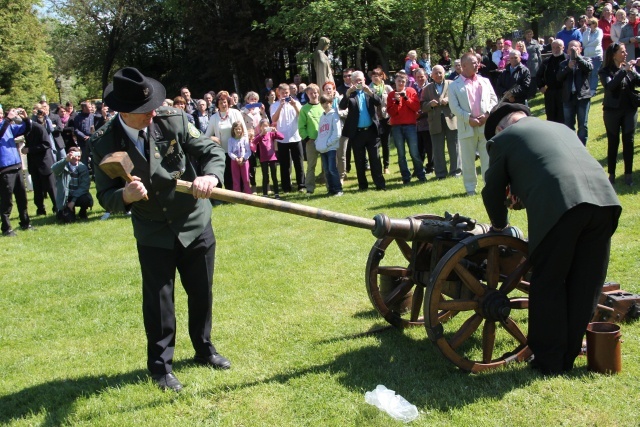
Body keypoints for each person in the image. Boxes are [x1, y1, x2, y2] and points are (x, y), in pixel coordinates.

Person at [90, 67, 229, 392]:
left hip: (194, 222)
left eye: (152, 105)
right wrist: (123, 196)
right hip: (153, 232)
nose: (152, 112)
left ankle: (204, 349)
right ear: (123, 112)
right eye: (143, 110)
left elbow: (210, 150)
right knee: (159, 302)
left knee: (201, 292)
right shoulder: (103, 142)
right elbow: (104, 195)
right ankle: (161, 367)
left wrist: (210, 176)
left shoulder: (173, 119)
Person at [482, 102, 622, 375]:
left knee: (548, 281)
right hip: (605, 203)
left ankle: (548, 361)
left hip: (561, 206)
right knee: (585, 283)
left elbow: (493, 190)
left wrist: (499, 226)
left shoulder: (503, 139)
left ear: (499, 128)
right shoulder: (559, 127)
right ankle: (567, 356)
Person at [448, 53, 498, 195]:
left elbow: (494, 99)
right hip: (466, 126)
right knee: (468, 159)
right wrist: (468, 118)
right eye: (474, 63)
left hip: (485, 124)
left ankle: (489, 185)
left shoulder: (485, 81)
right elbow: (454, 107)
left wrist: (487, 114)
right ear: (464, 66)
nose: (477, 65)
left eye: (477, 62)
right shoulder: (454, 86)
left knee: (487, 157)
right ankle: (470, 188)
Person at [599, 41, 640, 186]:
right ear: (614, 55)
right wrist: (624, 71)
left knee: (629, 141)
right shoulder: (604, 71)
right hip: (612, 111)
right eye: (622, 51)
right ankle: (612, 174)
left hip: (629, 110)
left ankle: (628, 175)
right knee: (613, 142)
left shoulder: (629, 68)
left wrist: (636, 69)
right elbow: (610, 86)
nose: (626, 54)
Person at [339, 70, 386, 191]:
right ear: (352, 82)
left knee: (375, 159)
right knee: (359, 161)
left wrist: (370, 93)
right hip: (357, 133)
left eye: (360, 80)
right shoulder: (350, 94)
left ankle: (380, 185)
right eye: (356, 81)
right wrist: (348, 93)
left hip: (371, 131)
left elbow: (379, 102)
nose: (358, 82)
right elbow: (342, 106)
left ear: (364, 80)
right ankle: (362, 186)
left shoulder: (370, 91)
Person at [422, 65, 461, 180]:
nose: (438, 75)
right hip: (435, 122)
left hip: (451, 119)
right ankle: (440, 174)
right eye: (436, 73)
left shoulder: (452, 84)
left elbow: (460, 98)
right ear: (432, 75)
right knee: (438, 149)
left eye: (440, 73)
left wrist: (449, 100)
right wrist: (430, 104)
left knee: (454, 147)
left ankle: (456, 172)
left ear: (444, 73)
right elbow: (422, 106)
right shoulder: (427, 88)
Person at [387, 71, 425, 184]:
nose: (401, 83)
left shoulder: (411, 91)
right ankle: (406, 177)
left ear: (406, 82)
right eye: (399, 81)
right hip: (397, 127)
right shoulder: (391, 95)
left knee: (414, 152)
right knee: (401, 154)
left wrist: (406, 98)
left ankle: (420, 175)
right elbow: (391, 113)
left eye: (403, 81)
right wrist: (397, 101)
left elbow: (416, 107)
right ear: (395, 81)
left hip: (410, 126)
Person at [0, 107, 33, 236]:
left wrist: (25, 118)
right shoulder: (5, 125)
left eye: (2, 113)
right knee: (7, 200)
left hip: (17, 166)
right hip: (4, 169)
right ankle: (6, 228)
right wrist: (8, 118)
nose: (1, 116)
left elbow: (26, 129)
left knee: (22, 197)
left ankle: (25, 223)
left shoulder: (7, 125)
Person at [204, 91, 247, 190]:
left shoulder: (235, 113)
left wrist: (245, 148)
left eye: (225, 102)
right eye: (221, 102)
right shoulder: (214, 117)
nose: (223, 104)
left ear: (228, 102)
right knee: (228, 175)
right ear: (217, 104)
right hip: (224, 151)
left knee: (240, 175)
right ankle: (230, 196)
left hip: (238, 151)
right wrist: (212, 138)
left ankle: (242, 193)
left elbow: (244, 131)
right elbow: (206, 136)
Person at [270, 83, 305, 192]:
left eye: (287, 93)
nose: (285, 95)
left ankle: (301, 185)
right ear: (278, 94)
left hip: (295, 137)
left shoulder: (296, 103)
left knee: (299, 163)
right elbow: (274, 120)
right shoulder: (274, 105)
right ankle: (286, 187)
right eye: (283, 93)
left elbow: (302, 116)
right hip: (282, 138)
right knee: (285, 165)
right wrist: (280, 106)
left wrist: (294, 105)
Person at [22, 107, 57, 216]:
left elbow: (47, 144)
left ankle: (57, 207)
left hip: (44, 163)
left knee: (51, 188)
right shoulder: (27, 129)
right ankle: (40, 209)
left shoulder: (38, 128)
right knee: (37, 190)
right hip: (34, 163)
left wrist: (29, 149)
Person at [557, 40, 593, 146]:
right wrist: (568, 68)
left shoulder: (586, 60)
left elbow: (589, 68)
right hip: (568, 98)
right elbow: (559, 77)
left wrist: (578, 58)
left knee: (583, 125)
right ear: (567, 50)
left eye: (575, 48)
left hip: (582, 97)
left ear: (580, 49)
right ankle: (572, 148)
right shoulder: (563, 63)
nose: (573, 50)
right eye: (571, 48)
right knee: (568, 125)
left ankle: (582, 147)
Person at [52, 146, 93, 222]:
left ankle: (83, 212)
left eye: (78, 156)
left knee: (86, 199)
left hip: (78, 195)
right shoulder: (63, 166)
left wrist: (73, 201)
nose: (76, 158)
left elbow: (84, 186)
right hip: (66, 197)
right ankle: (65, 211)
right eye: (74, 156)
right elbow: (53, 169)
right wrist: (65, 160)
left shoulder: (83, 167)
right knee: (68, 220)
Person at [298, 84, 323, 194]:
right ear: (307, 95)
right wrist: (306, 138)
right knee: (311, 166)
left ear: (318, 93)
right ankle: (309, 188)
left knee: (327, 165)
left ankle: (330, 186)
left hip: (324, 140)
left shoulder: (323, 106)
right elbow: (301, 127)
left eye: (315, 92)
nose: (314, 94)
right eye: (311, 93)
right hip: (311, 141)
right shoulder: (304, 109)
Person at [315, 95, 343, 196]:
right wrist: (318, 143)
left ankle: (338, 189)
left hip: (331, 147)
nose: (326, 105)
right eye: (323, 103)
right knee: (326, 170)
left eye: (328, 102)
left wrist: (328, 143)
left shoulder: (334, 115)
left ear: (331, 103)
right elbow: (320, 132)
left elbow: (337, 133)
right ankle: (331, 190)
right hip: (323, 148)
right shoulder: (322, 116)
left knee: (332, 169)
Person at [536, 39, 568, 123]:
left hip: (564, 92)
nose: (556, 49)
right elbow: (538, 76)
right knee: (551, 117)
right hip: (550, 92)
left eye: (558, 47)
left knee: (563, 117)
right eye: (553, 47)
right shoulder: (547, 61)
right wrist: (541, 86)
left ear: (563, 47)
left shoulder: (567, 60)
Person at [369, 68, 393, 175]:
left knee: (385, 143)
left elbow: (393, 103)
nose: (375, 77)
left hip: (385, 119)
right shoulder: (368, 88)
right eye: (373, 76)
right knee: (375, 144)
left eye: (377, 75)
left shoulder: (387, 88)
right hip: (374, 120)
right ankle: (376, 166)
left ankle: (386, 166)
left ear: (382, 76)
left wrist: (392, 117)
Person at [251, 118, 282, 198]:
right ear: (260, 127)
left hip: (272, 158)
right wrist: (261, 134)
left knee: (274, 176)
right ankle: (265, 194)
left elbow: (282, 137)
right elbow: (254, 142)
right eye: (263, 126)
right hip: (263, 159)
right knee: (265, 176)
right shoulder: (259, 135)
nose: (265, 127)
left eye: (266, 126)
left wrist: (275, 131)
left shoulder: (271, 134)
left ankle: (276, 193)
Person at [227, 120, 252, 194]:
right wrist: (236, 158)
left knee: (246, 179)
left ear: (242, 130)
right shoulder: (230, 140)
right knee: (236, 179)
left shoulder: (244, 139)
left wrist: (243, 158)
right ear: (233, 130)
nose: (238, 130)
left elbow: (248, 151)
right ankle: (236, 195)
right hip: (234, 161)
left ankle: (248, 194)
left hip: (244, 161)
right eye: (236, 129)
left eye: (239, 129)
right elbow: (229, 152)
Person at [584, 17, 605, 95]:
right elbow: (584, 43)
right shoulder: (586, 32)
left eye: (591, 24)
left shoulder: (599, 31)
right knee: (588, 73)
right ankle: (587, 89)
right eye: (588, 24)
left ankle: (593, 89)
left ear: (595, 24)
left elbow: (597, 41)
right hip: (587, 56)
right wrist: (588, 32)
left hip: (596, 55)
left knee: (594, 73)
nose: (589, 25)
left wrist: (588, 45)